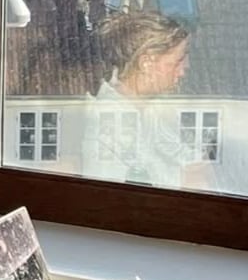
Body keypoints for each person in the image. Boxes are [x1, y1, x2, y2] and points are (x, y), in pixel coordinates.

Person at [82, 11, 211, 190]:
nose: (185, 68)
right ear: (146, 63)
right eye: (179, 60)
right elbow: (164, 182)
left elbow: (183, 154)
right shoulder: (109, 118)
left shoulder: (150, 107)